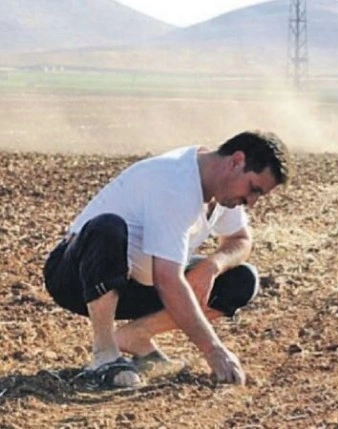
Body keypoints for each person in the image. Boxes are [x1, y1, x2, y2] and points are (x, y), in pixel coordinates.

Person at [42, 130, 291, 388]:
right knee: (108, 228)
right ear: (236, 161)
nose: (250, 203)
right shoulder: (176, 182)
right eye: (253, 189)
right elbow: (167, 279)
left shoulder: (223, 193)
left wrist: (212, 265)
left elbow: (240, 240)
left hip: (138, 283)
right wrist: (214, 350)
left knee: (241, 279)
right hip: (77, 277)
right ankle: (104, 354)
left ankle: (136, 335)